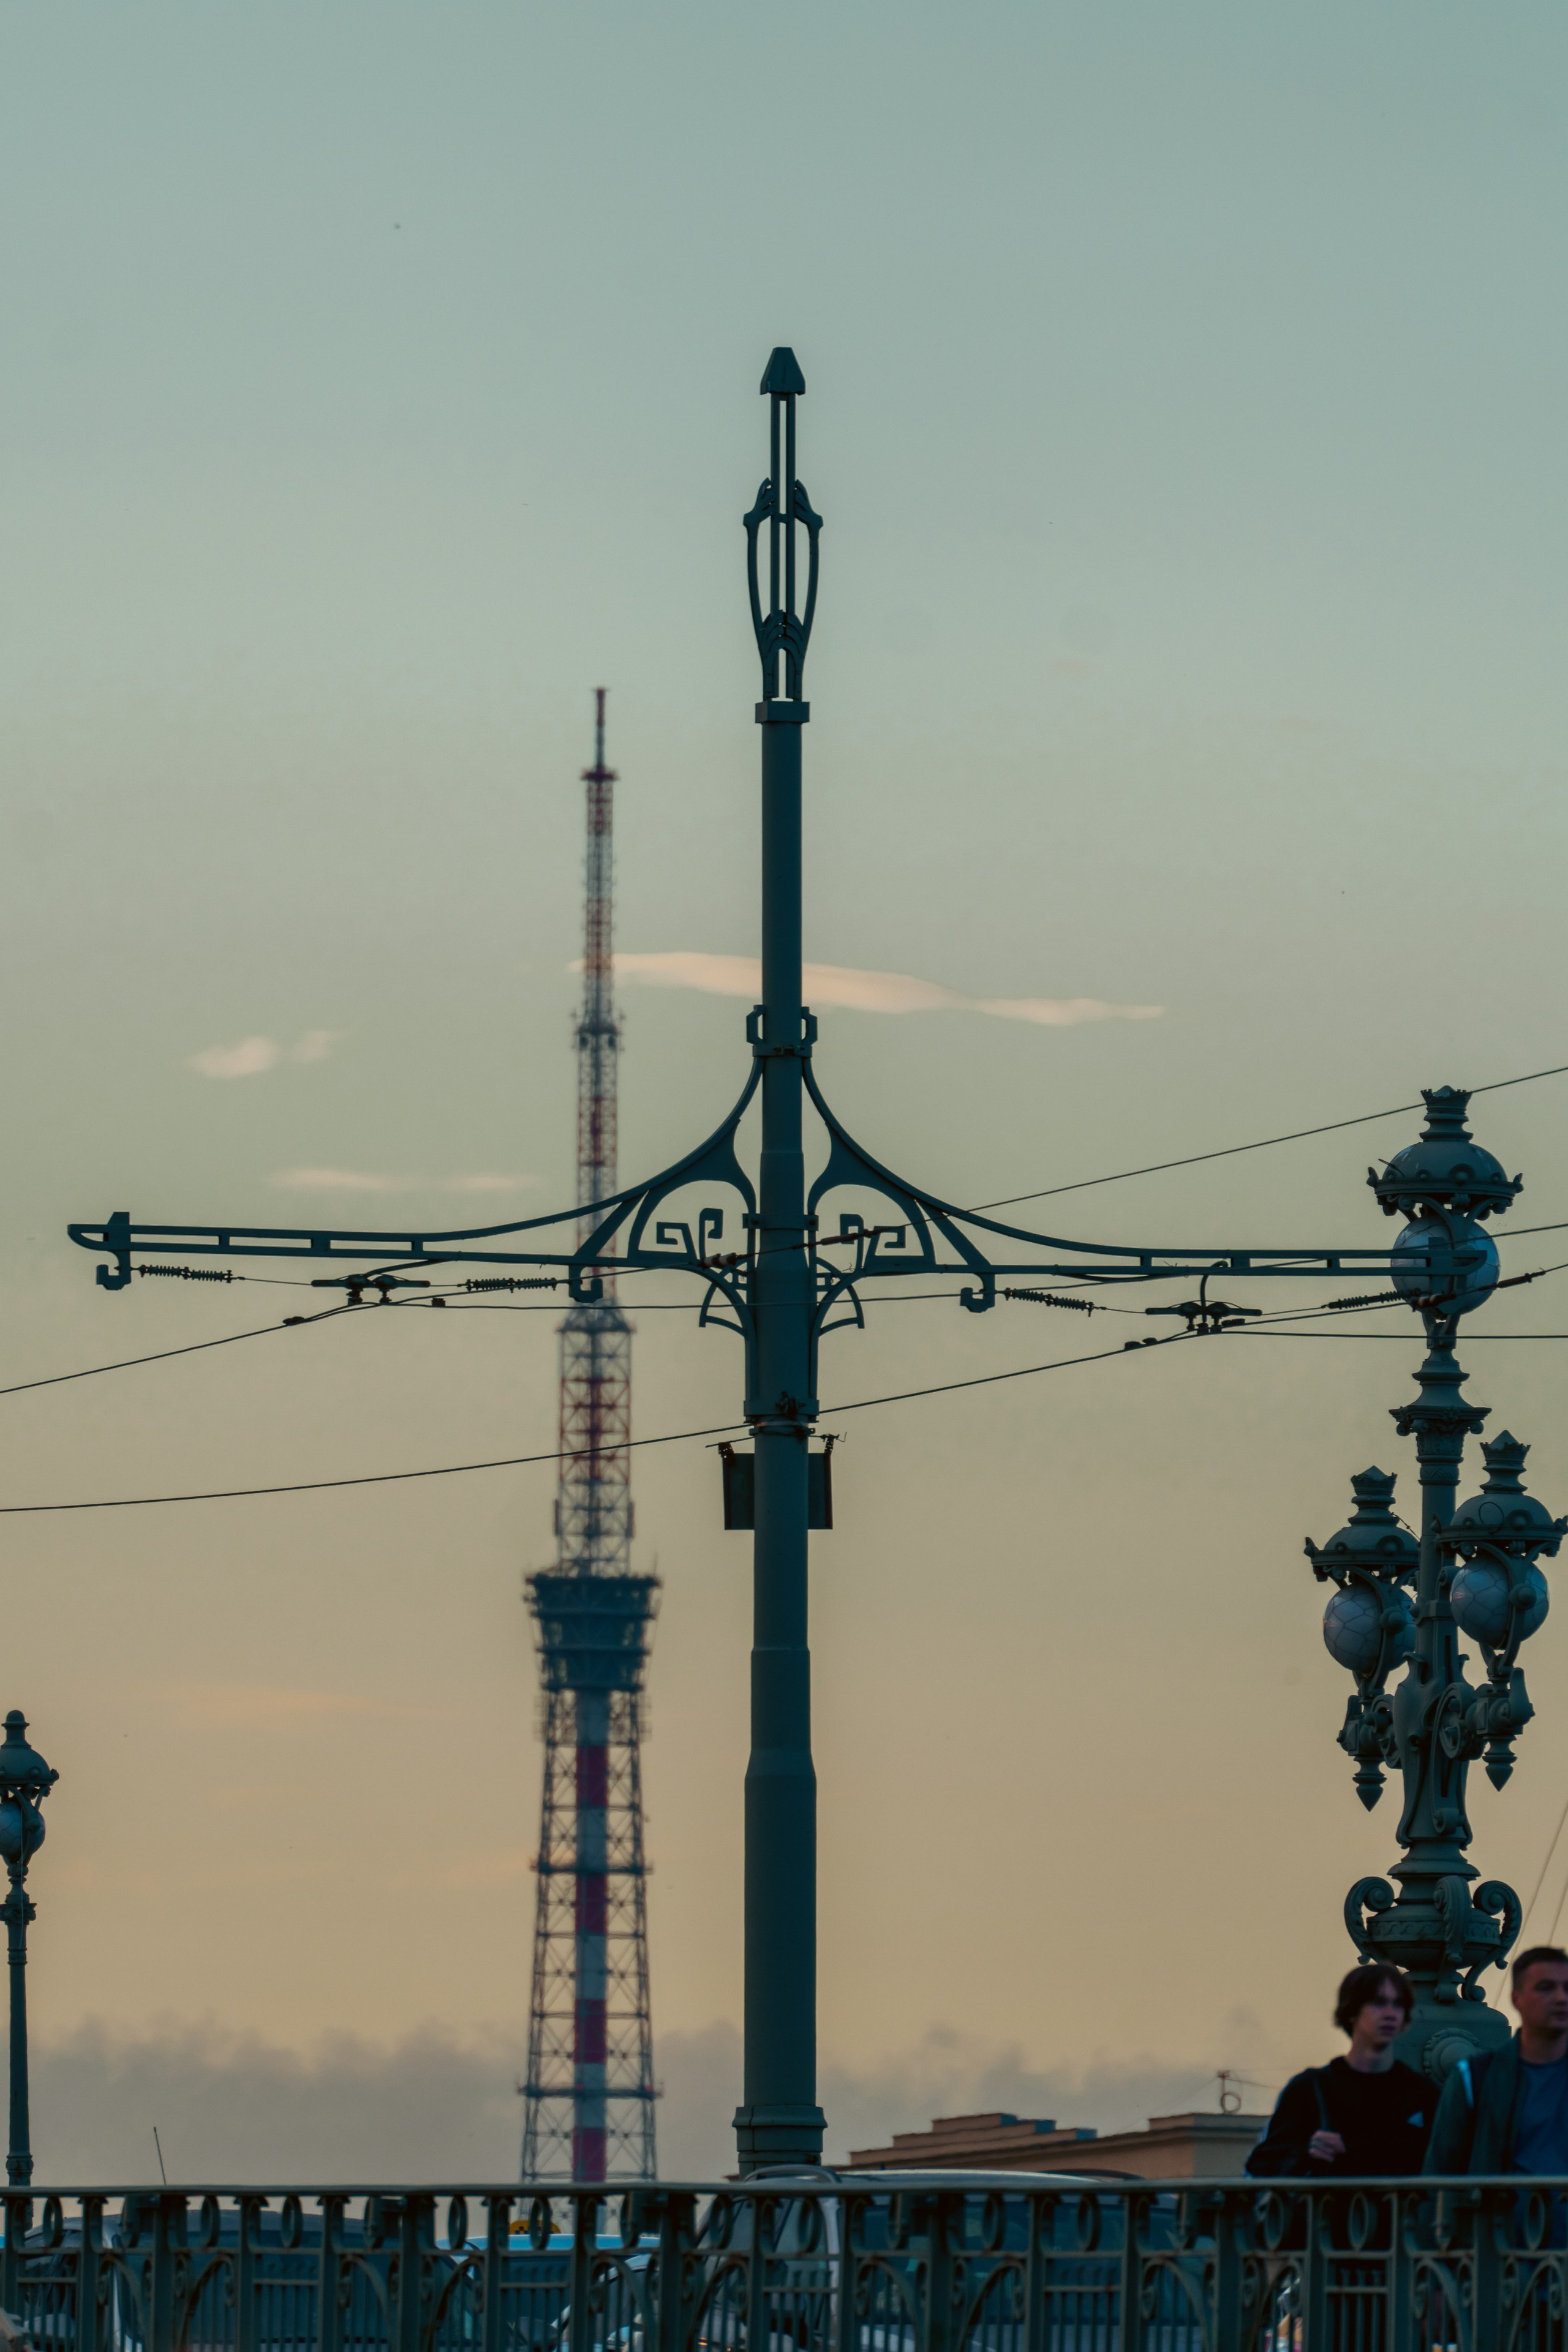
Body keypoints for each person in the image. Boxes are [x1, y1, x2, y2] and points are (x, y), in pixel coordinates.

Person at [1246, 1965, 1436, 2176]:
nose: (1390, 2013)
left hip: (1400, 2210)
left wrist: (1350, 2150)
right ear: (1352, 2011)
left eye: (1398, 2004)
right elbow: (1262, 2165)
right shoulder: (1310, 2089)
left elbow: (1443, 2163)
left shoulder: (1422, 2094)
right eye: (1378, 2003)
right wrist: (1306, 2154)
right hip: (1327, 2209)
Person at [1425, 1945, 1568, 2174]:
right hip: (1499, 2209)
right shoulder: (1474, 2077)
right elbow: (1441, 2173)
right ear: (1516, 1999)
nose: (1561, 1998)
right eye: (1546, 1988)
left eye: (1567, 1988)